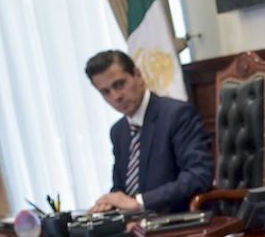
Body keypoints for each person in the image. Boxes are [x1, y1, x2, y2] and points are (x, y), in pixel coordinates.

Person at [86, 50, 213, 214]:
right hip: (137, 223)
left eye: (119, 84)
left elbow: (198, 175)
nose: (116, 97)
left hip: (177, 218)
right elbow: (120, 188)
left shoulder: (176, 114)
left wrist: (140, 202)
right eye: (106, 92)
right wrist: (109, 204)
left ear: (138, 75)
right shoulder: (118, 131)